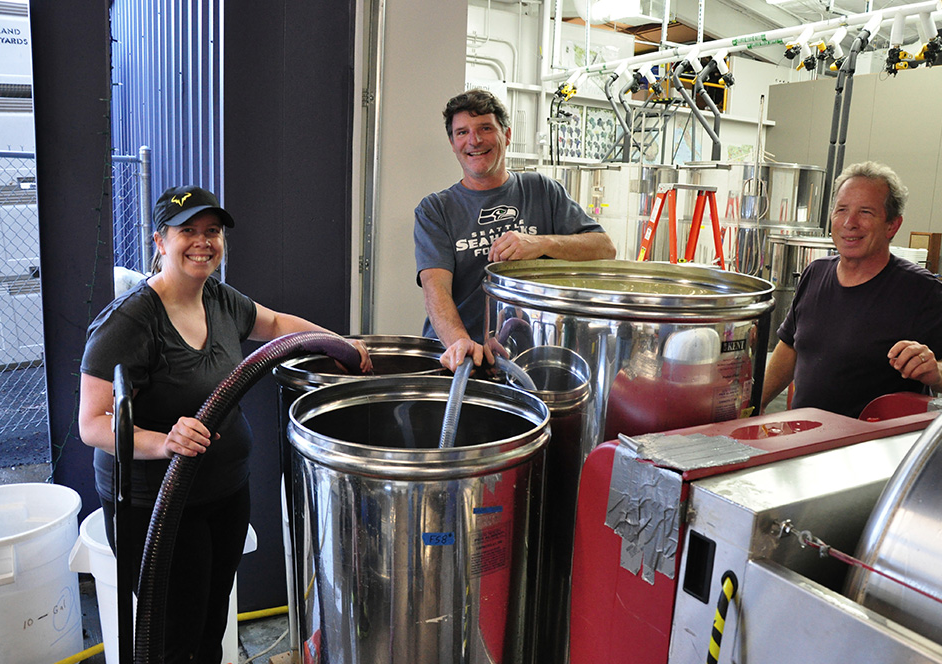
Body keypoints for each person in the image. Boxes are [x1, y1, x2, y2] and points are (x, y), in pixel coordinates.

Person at [78, 185, 371, 663]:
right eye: (187, 231)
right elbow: (93, 423)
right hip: (158, 504)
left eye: (212, 231)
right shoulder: (129, 322)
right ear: (159, 241)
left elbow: (274, 326)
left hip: (223, 492)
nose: (203, 242)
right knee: (174, 635)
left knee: (213, 622)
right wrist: (163, 441)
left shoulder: (217, 297)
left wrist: (338, 342)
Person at [414, 89, 616, 371]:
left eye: (485, 128)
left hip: (527, 358)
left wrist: (542, 244)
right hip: (457, 358)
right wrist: (461, 344)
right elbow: (436, 291)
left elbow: (604, 248)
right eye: (462, 132)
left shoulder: (542, 190)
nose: (474, 140)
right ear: (452, 142)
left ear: (506, 135)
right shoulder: (435, 210)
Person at [762, 161, 942, 418]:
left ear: (892, 226)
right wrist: (755, 403)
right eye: (841, 210)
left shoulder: (920, 290)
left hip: (872, 448)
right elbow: (790, 346)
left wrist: (937, 372)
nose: (850, 222)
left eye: (865, 212)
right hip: (806, 441)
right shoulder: (815, 273)